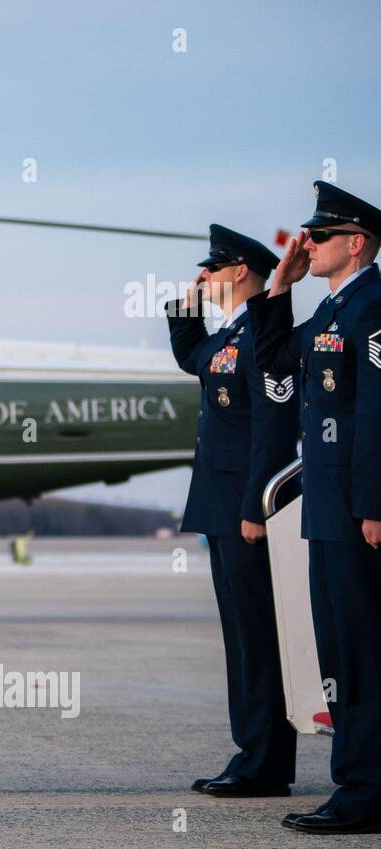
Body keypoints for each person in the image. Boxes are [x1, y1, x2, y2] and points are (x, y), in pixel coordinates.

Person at [248, 182, 381, 833]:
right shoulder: (330, 311)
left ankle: (365, 792)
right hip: (327, 510)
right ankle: (354, 786)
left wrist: (376, 503)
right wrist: (281, 284)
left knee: (362, 653)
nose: (309, 245)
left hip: (361, 511)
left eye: (320, 237)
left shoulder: (374, 308)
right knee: (338, 654)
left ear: (355, 244)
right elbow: (271, 358)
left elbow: (380, 412)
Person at [166, 225, 298, 798]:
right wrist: (186, 304)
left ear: (241, 271)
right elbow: (191, 357)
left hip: (245, 508)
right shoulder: (232, 335)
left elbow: (272, 428)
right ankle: (252, 752)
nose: (207, 278)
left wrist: (256, 507)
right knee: (240, 637)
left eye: (213, 271)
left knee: (257, 636)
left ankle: (265, 761)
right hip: (221, 506)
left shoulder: (262, 335)